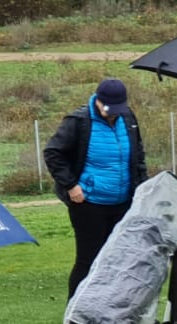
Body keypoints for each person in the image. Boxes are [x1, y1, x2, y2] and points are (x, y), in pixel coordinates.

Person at [44, 77, 149, 300]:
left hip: (122, 203)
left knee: (119, 259)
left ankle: (109, 312)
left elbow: (137, 155)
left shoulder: (128, 118)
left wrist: (140, 189)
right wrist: (71, 186)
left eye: (117, 110)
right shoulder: (79, 121)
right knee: (88, 259)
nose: (112, 114)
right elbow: (53, 153)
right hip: (89, 204)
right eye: (108, 109)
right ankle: (75, 316)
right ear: (98, 101)